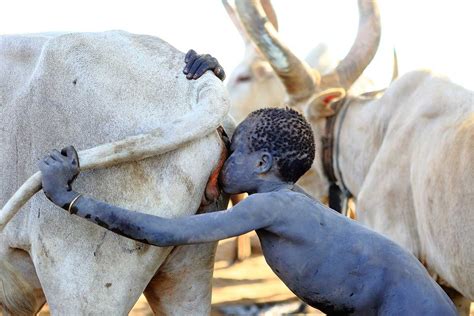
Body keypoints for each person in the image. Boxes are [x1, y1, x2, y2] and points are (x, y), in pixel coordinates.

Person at [38, 53, 456, 315]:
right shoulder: (292, 201)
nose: (225, 154)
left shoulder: (269, 206)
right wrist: (212, 81)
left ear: (260, 163)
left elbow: (165, 232)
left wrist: (69, 198)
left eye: (232, 149)